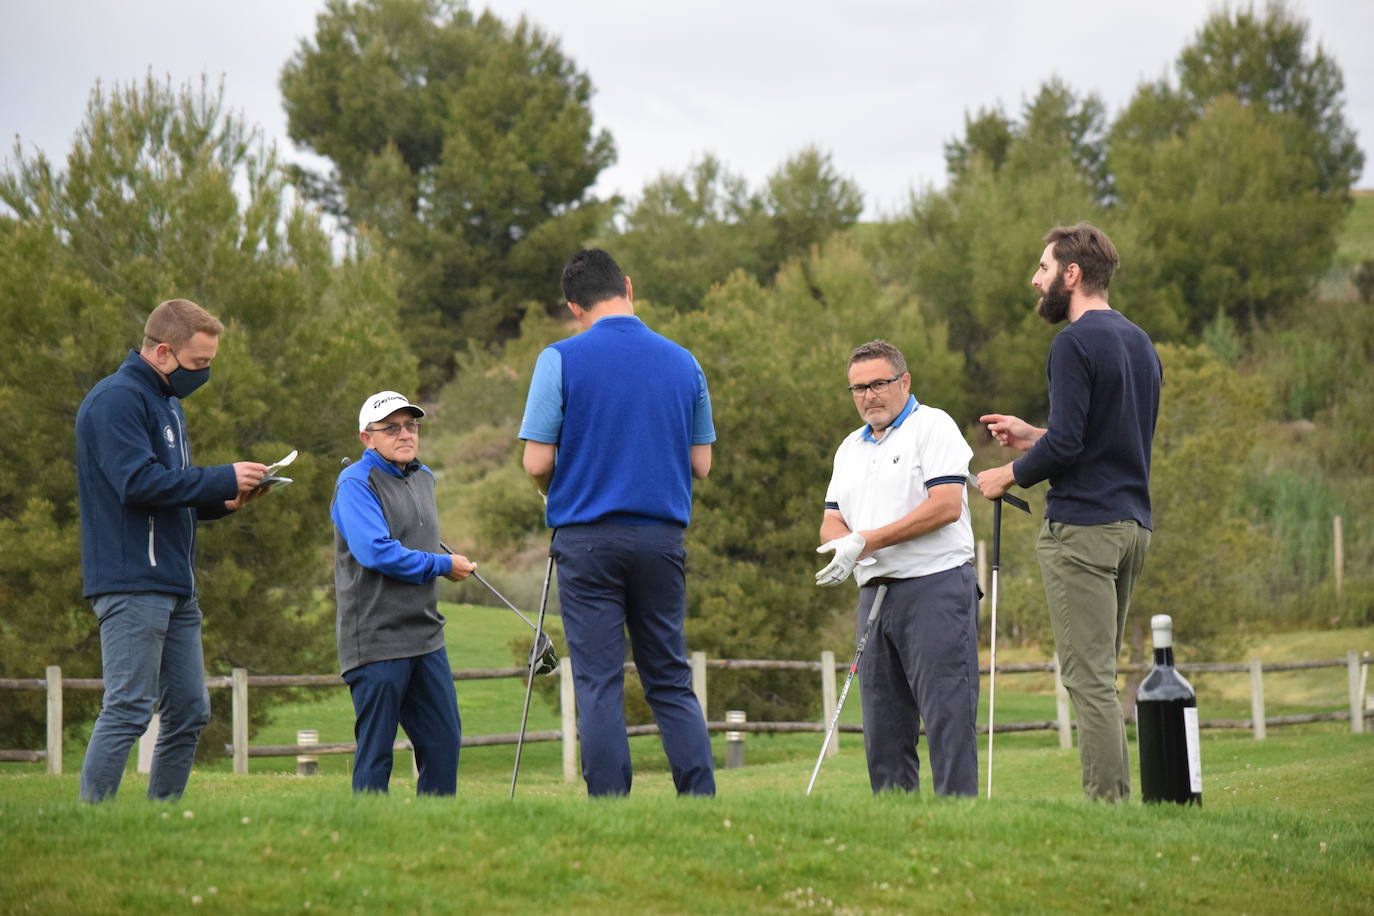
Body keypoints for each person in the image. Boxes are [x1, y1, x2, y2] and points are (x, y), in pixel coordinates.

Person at [519, 249, 716, 798]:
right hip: (661, 539)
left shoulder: (559, 358)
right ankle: (699, 799)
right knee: (669, 677)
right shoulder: (685, 361)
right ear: (628, 286)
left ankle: (611, 805)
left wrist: (549, 493)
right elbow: (701, 464)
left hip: (586, 540)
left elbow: (537, 462)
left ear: (574, 306)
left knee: (599, 681)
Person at [976, 222, 1162, 802]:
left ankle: (1107, 809)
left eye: (1043, 268)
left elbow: (1071, 448)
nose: (1036, 280)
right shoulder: (1140, 343)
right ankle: (1117, 804)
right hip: (1132, 527)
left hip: (1083, 530)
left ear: (1072, 274)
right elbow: (1098, 438)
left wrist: (1006, 474)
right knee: (1100, 679)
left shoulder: (1073, 343)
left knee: (1087, 681)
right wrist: (1036, 435)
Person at [76, 298, 273, 802]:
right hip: (131, 581)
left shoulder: (167, 404)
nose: (203, 374)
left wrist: (225, 499)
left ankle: (160, 816)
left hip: (175, 584)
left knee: (190, 710)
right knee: (129, 707)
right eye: (199, 364)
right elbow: (137, 485)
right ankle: (91, 819)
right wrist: (220, 475)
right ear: (164, 352)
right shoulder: (115, 400)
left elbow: (172, 493)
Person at [816, 339, 981, 797]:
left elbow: (945, 505)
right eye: (857, 388)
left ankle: (960, 823)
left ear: (904, 382)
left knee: (947, 717)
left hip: (936, 587)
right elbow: (831, 519)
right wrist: (846, 546)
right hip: (875, 593)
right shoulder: (850, 447)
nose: (868, 396)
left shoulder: (933, 426)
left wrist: (867, 540)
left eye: (878, 384)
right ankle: (894, 827)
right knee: (883, 725)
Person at [331, 390, 477, 795]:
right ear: (367, 438)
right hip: (376, 638)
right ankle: (370, 833)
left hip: (426, 636)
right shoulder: (355, 483)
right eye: (391, 428)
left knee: (443, 743)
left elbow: (419, 537)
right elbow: (376, 552)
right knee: (377, 751)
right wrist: (444, 566)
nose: (405, 434)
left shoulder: (423, 477)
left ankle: (435, 832)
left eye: (411, 425)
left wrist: (439, 558)